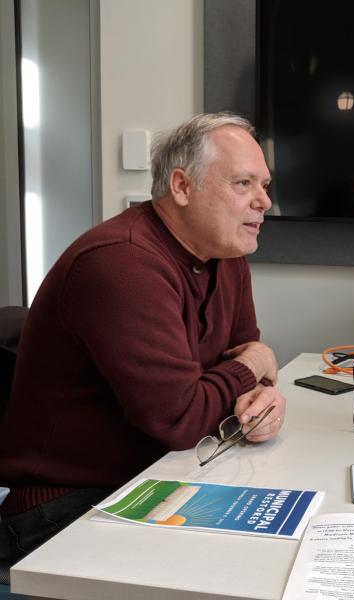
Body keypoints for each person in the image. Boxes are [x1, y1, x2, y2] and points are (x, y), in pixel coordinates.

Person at [0, 113, 285, 562]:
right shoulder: (122, 263)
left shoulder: (226, 255)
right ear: (182, 187)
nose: (264, 201)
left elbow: (244, 370)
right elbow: (182, 417)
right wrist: (255, 365)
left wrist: (265, 401)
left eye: (265, 185)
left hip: (161, 477)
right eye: (243, 184)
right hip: (64, 508)